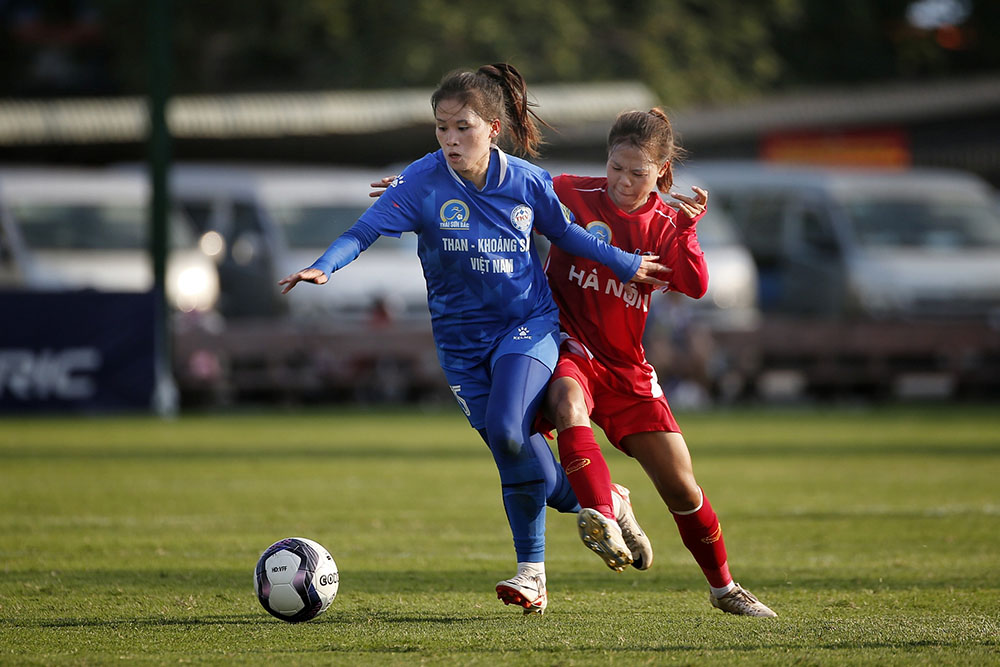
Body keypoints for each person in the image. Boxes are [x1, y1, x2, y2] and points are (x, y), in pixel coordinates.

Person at [279, 63, 667, 615]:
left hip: (526, 327)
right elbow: (362, 231)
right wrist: (323, 266)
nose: (450, 139)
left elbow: (571, 235)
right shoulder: (421, 181)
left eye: (462, 127)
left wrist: (626, 263)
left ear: (492, 127)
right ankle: (607, 500)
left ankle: (531, 575)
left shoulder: (527, 182)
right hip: (460, 347)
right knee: (517, 454)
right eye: (441, 128)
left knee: (510, 429)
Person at [541, 108, 777, 617]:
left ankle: (724, 588)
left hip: (626, 368)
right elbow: (499, 182)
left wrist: (689, 230)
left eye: (638, 173)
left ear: (662, 173)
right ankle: (604, 511)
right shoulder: (568, 192)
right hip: (566, 346)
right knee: (565, 402)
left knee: (682, 488)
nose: (624, 182)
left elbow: (694, 285)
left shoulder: (668, 223)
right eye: (616, 168)